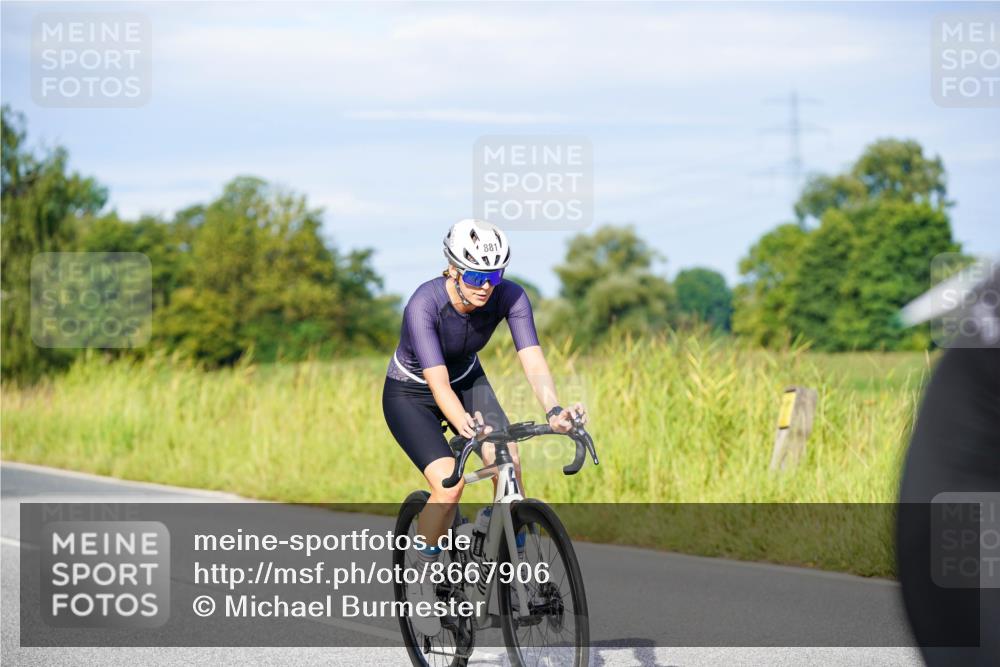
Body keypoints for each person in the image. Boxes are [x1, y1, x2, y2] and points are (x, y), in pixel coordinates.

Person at [381, 218, 587, 636]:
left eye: (494, 275)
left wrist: (554, 410)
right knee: (449, 486)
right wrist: (464, 426)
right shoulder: (424, 304)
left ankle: (506, 559)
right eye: (475, 275)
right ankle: (422, 577)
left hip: (468, 380)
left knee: (509, 459)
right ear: (452, 270)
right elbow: (437, 383)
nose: (485, 286)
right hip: (412, 393)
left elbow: (532, 357)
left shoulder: (511, 297)